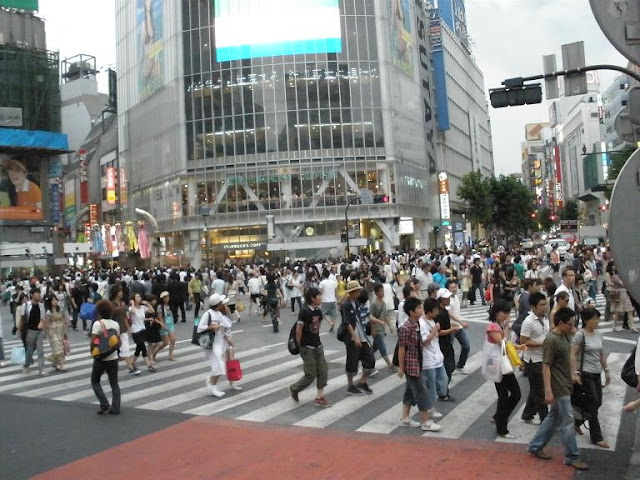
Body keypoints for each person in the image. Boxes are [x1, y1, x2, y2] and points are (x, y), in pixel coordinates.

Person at [527, 307, 590, 471]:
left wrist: (573, 373)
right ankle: (572, 456)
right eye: (570, 324)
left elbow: (569, 357)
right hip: (558, 386)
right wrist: (548, 390)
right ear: (561, 323)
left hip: (565, 383)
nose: (572, 327)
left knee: (553, 417)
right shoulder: (552, 339)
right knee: (568, 421)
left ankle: (535, 445)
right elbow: (546, 366)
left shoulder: (565, 336)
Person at [397, 296, 441, 431]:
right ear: (411, 311)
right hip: (412, 365)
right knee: (421, 392)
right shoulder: (406, 327)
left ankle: (404, 418)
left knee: (410, 392)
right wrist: (401, 367)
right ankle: (426, 421)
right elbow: (402, 348)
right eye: (419, 307)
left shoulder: (416, 324)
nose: (421, 309)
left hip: (418, 361)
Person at [570, 308, 610, 448]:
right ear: (586, 320)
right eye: (593, 319)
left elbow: (601, 354)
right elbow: (572, 355)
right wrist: (575, 373)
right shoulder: (580, 335)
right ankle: (596, 437)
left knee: (597, 402)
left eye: (598, 318)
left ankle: (576, 422)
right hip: (585, 374)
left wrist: (607, 371)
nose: (596, 321)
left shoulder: (599, 334)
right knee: (593, 404)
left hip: (596, 373)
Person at [487, 300, 524, 438]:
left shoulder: (499, 325)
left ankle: (499, 418)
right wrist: (507, 329)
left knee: (510, 394)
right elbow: (502, 343)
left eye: (508, 312)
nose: (507, 315)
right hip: (498, 364)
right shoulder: (493, 326)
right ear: (497, 312)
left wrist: (506, 327)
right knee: (508, 394)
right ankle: (501, 426)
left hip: (502, 363)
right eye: (505, 312)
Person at [288, 287, 330, 407]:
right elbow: (298, 330)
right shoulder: (304, 311)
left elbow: (316, 329)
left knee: (323, 371)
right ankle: (294, 388)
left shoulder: (318, 311)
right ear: (312, 298)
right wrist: (301, 346)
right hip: (306, 347)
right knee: (311, 374)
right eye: (318, 296)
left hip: (318, 345)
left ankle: (319, 397)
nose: (320, 298)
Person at [199, 293, 242, 397]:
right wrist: (212, 327)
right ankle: (212, 385)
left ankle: (212, 385)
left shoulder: (218, 314)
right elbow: (200, 328)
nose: (223, 304)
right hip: (211, 343)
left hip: (219, 342)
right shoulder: (208, 314)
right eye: (221, 303)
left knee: (219, 366)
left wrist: (227, 338)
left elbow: (224, 327)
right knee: (219, 366)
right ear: (217, 304)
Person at [520, 291, 550, 424]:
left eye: (545, 304)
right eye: (541, 305)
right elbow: (523, 342)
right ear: (533, 306)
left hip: (544, 358)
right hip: (533, 360)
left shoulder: (545, 318)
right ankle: (545, 419)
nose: (544, 307)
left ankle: (527, 414)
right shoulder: (528, 322)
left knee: (535, 390)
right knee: (540, 392)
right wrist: (542, 344)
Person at [340, 280, 375, 395]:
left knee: (370, 360)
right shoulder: (346, 305)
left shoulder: (358, 303)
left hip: (363, 336)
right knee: (352, 361)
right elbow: (347, 323)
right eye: (357, 291)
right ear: (351, 292)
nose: (359, 293)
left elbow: (364, 317)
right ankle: (350, 385)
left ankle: (362, 381)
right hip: (352, 338)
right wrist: (354, 337)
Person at [90, 300, 121, 415]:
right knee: (114, 383)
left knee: (95, 381)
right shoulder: (115, 324)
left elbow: (93, 341)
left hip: (100, 359)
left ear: (99, 312)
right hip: (113, 358)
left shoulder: (97, 324)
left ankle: (104, 404)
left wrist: (92, 352)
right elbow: (119, 342)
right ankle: (116, 408)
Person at [420, 298, 447, 422]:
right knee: (431, 385)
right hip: (428, 359)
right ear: (430, 310)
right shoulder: (422, 323)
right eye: (436, 309)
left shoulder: (433, 321)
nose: (437, 312)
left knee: (443, 380)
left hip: (437, 357)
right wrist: (435, 330)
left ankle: (428, 402)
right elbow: (424, 341)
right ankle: (429, 408)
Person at [434, 288, 460, 398]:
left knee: (450, 367)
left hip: (446, 342)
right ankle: (443, 391)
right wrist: (451, 330)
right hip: (441, 344)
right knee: (447, 368)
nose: (449, 299)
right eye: (447, 298)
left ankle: (442, 389)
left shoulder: (444, 310)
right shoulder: (439, 314)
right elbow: (438, 332)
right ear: (441, 299)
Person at [20, 288, 47, 376]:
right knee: (30, 350)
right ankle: (26, 365)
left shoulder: (41, 305)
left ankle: (42, 369)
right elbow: (22, 318)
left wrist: (42, 323)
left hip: (39, 331)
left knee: (40, 350)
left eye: (39, 293)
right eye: (36, 293)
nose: (39, 295)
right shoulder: (26, 305)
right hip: (30, 331)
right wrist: (20, 330)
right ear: (31, 295)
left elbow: (43, 317)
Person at [606, 261, 637, 332]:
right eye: (613, 265)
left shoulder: (619, 273)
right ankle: (614, 325)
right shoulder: (611, 275)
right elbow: (611, 283)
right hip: (619, 293)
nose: (615, 266)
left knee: (629, 309)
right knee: (618, 311)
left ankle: (632, 326)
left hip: (624, 293)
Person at [447, 281, 470, 375]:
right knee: (449, 349)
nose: (454, 289)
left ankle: (460, 366)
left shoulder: (456, 297)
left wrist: (460, 322)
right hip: (450, 327)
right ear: (448, 288)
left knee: (466, 346)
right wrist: (460, 322)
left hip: (459, 327)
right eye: (452, 287)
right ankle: (448, 370)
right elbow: (449, 313)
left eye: (455, 287)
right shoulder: (447, 299)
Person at [369, 284, 395, 372]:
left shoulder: (383, 303)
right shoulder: (374, 303)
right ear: (376, 293)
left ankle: (365, 359)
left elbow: (385, 315)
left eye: (383, 291)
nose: (382, 293)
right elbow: (370, 316)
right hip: (376, 329)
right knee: (382, 347)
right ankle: (390, 365)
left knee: (374, 348)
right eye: (380, 291)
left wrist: (390, 326)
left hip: (382, 328)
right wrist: (372, 329)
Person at [128, 293, 155, 373]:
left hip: (143, 330)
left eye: (139, 296)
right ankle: (149, 365)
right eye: (137, 297)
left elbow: (152, 310)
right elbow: (132, 312)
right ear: (133, 299)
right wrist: (132, 303)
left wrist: (146, 303)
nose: (139, 298)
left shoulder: (143, 307)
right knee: (142, 346)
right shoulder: (131, 308)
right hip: (135, 330)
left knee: (139, 348)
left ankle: (132, 363)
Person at [44, 295, 67, 372]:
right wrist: (45, 333)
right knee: (58, 348)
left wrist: (65, 330)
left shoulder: (60, 309)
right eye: (53, 300)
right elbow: (46, 323)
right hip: (52, 331)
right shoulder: (48, 312)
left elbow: (63, 320)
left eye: (56, 300)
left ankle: (55, 363)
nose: (55, 301)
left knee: (61, 347)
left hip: (60, 330)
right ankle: (62, 365)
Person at [155, 291, 176, 361]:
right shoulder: (160, 306)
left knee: (173, 340)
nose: (167, 298)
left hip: (170, 324)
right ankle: (154, 353)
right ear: (162, 299)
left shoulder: (170, 305)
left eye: (168, 297)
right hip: (164, 325)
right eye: (165, 297)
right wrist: (162, 324)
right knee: (165, 342)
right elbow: (159, 316)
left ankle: (170, 355)